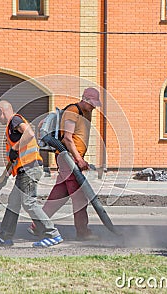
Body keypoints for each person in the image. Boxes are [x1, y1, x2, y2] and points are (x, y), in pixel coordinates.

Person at [0, 100, 63, 248]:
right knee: (13, 203)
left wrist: (15, 147)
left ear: (2, 111)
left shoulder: (15, 120)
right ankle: (5, 237)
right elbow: (14, 158)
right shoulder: (10, 129)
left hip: (30, 168)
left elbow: (30, 133)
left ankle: (53, 234)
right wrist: (4, 178)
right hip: (23, 170)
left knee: (29, 203)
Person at [28, 87, 102, 240]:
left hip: (69, 159)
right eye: (92, 103)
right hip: (68, 159)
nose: (94, 107)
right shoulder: (73, 111)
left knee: (58, 196)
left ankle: (37, 225)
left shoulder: (85, 112)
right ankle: (83, 233)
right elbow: (67, 138)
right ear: (85, 99)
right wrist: (79, 159)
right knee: (80, 198)